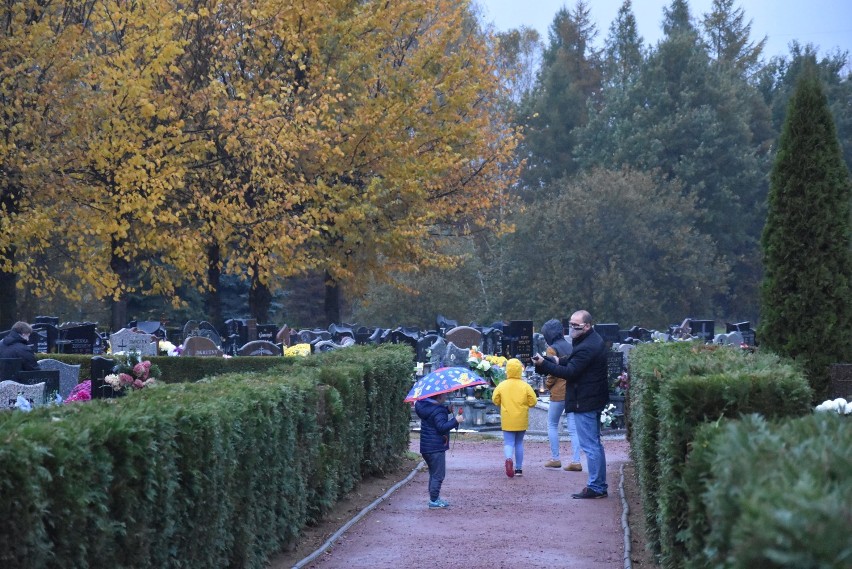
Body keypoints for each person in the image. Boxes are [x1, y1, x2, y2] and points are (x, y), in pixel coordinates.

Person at [532, 310, 609, 499]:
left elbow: (571, 371)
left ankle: (596, 487)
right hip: (591, 398)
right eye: (571, 324)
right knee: (595, 445)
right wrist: (553, 360)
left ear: (587, 326)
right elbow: (571, 360)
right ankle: (598, 485)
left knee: (590, 446)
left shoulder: (588, 346)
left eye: (577, 325)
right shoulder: (588, 341)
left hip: (585, 400)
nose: (572, 328)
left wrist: (545, 363)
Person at [540, 318, 583, 472]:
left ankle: (555, 458)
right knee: (573, 429)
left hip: (558, 392)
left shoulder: (551, 349)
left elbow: (551, 370)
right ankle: (576, 461)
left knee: (552, 424)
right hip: (572, 391)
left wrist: (547, 385)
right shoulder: (571, 346)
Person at [415, 392, 463, 509]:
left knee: (433, 473)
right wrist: (456, 420)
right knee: (438, 475)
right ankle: (434, 500)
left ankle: (434, 497)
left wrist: (446, 409)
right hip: (436, 447)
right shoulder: (438, 410)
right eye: (445, 395)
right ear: (439, 396)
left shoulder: (425, 406)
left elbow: (434, 416)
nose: (446, 397)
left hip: (426, 447)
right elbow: (441, 427)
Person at [492, 358, 538, 478]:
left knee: (508, 442)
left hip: (507, 418)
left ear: (507, 370)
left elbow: (495, 400)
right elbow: (533, 401)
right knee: (519, 443)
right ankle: (518, 469)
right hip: (521, 418)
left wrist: (502, 403)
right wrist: (525, 405)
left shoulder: (502, 385)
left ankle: (508, 459)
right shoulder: (525, 386)